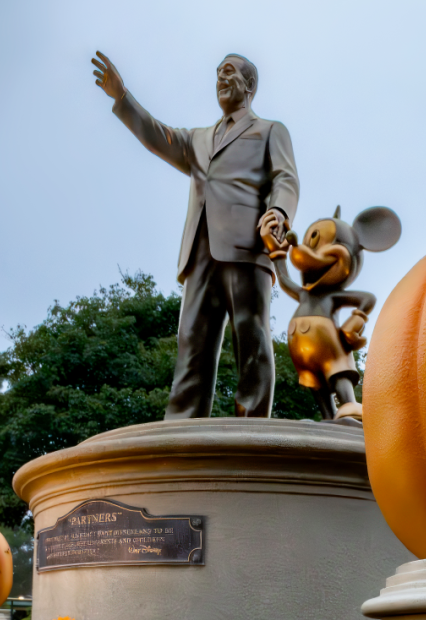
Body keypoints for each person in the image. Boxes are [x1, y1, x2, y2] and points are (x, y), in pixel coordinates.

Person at [92, 50, 299, 418]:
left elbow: (286, 178)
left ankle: (251, 428)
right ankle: (182, 429)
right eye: (218, 72)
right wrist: (123, 99)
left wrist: (279, 213)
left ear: (249, 85)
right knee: (192, 342)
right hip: (199, 254)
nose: (221, 78)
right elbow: (159, 136)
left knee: (250, 340)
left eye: (230, 72)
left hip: (247, 247)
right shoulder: (198, 139)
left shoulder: (269, 130)